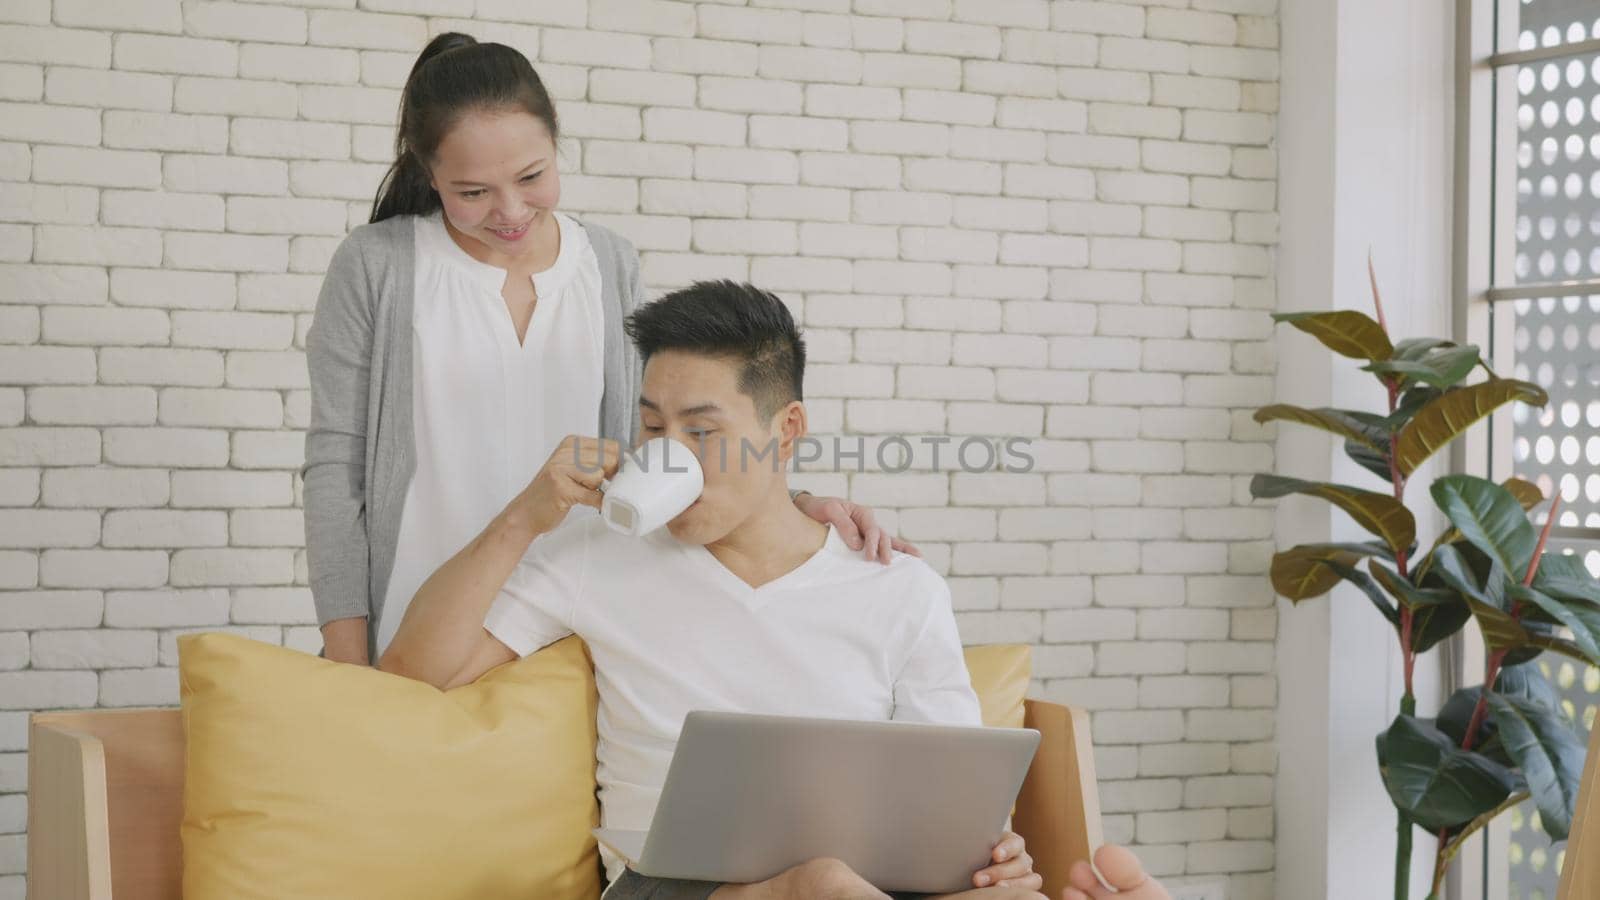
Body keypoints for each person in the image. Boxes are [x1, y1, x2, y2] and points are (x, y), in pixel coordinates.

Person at [380, 282, 1171, 900]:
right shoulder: (597, 552)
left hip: (871, 885)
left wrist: (992, 859)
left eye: (702, 431)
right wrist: (525, 517)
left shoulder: (900, 588)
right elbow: (416, 674)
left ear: (786, 430)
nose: (669, 455)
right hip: (673, 890)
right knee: (821, 883)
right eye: (652, 426)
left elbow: (955, 803)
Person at [303, 33, 914, 666]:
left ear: (557, 145)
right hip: (414, 624)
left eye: (532, 176)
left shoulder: (607, 263)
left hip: (571, 627)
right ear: (428, 174)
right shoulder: (377, 267)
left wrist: (792, 503)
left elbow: (658, 440)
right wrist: (349, 661)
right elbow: (335, 469)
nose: (510, 210)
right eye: (472, 192)